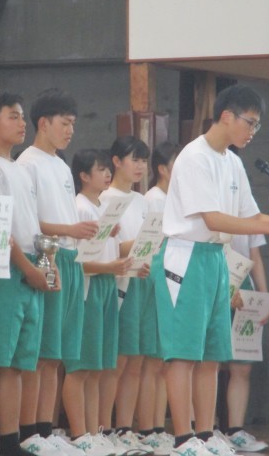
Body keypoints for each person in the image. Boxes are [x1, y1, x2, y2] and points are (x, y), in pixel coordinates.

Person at [162, 84, 269, 455]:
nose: (253, 131)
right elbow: (212, 219)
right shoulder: (194, 157)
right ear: (227, 116)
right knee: (183, 354)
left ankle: (206, 434)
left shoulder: (232, 161)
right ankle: (183, 438)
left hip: (216, 258)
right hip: (187, 257)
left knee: (212, 354)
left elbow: (250, 216)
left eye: (257, 125)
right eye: (250, 122)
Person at [0, 90, 58, 456]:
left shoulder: (20, 168)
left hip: (29, 269)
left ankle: (9, 440)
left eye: (22, 116)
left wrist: (47, 265)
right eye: (13, 116)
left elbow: (31, 224)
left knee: (18, 364)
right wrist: (27, 268)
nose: (22, 123)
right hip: (0, 273)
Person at [16, 88, 98, 455]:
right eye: (65, 123)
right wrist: (69, 231)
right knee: (39, 351)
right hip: (45, 254)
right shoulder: (28, 163)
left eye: (73, 124)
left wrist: (75, 235)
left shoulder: (61, 166)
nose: (70, 131)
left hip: (69, 257)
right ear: (43, 123)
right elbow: (30, 221)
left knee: (56, 354)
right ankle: (28, 430)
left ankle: (46, 429)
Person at [64, 148, 131, 456]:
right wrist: (109, 267)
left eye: (108, 169)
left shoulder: (104, 208)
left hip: (106, 285)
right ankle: (79, 433)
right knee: (80, 367)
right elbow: (79, 262)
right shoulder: (79, 207)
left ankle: (94, 432)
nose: (107, 174)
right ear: (83, 176)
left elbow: (110, 253)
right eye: (101, 169)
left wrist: (123, 264)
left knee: (97, 368)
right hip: (88, 287)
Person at [98, 136, 155, 454]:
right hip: (120, 283)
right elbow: (107, 248)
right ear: (116, 161)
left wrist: (150, 245)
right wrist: (144, 242)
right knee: (116, 361)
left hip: (143, 281)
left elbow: (146, 246)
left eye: (144, 160)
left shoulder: (143, 201)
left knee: (136, 361)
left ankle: (124, 427)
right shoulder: (106, 198)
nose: (140, 166)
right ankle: (103, 427)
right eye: (134, 159)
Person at [139, 141, 183, 453]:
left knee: (163, 361)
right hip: (155, 278)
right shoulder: (153, 199)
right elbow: (149, 244)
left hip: (171, 279)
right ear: (163, 169)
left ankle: (157, 426)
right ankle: (146, 428)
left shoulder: (175, 199)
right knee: (151, 362)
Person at [216, 234, 269, 452]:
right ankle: (205, 430)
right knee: (209, 362)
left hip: (244, 283)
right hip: (215, 278)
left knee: (242, 365)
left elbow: (254, 254)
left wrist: (263, 297)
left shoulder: (250, 214)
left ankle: (235, 431)